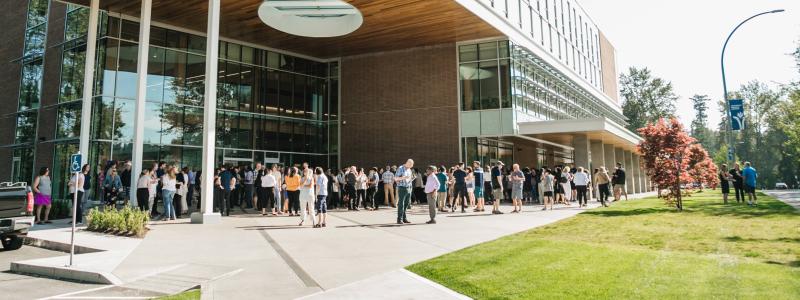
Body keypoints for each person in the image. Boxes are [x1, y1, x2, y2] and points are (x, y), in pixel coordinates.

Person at [395, 159, 414, 224]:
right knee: (401, 204)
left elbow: (409, 178)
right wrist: (404, 177)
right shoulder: (400, 168)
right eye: (410, 165)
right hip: (402, 188)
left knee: (406, 204)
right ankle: (399, 219)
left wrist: (411, 179)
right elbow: (396, 178)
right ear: (408, 163)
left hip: (408, 187)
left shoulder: (409, 170)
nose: (411, 167)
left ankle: (404, 218)